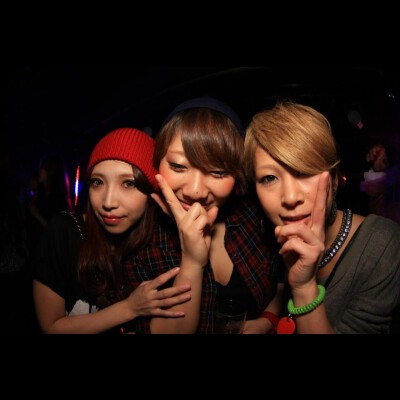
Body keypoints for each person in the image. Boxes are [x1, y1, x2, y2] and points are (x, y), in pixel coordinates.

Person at [126, 97, 280, 334]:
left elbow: (282, 284)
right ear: (157, 163)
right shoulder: (140, 240)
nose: (195, 191)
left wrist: (267, 320)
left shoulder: (254, 216)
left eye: (217, 172)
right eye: (178, 166)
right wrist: (192, 261)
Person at [244, 101, 400, 334]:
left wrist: (305, 287)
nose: (290, 197)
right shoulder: (272, 234)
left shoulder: (382, 244)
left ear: (334, 180)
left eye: (304, 172)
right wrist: (267, 320)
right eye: (269, 178)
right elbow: (281, 289)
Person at [33, 128, 191, 334]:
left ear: (152, 191)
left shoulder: (160, 242)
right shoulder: (64, 231)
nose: (108, 202)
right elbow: (51, 327)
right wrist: (129, 308)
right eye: (97, 182)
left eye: (128, 183)